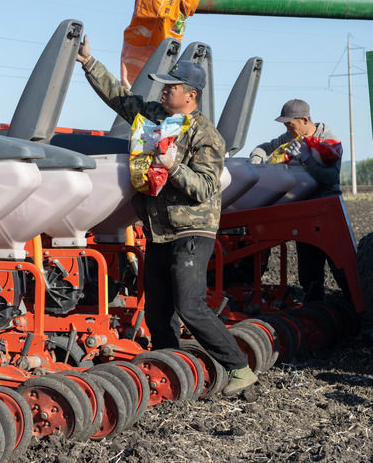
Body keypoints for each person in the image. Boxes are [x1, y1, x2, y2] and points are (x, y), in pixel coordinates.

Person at [76, 35, 256, 396]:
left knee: (190, 305)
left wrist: (173, 167)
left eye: (170, 87)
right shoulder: (154, 118)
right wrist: (89, 64)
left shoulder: (207, 137)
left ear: (190, 95)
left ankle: (240, 369)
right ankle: (170, 370)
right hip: (158, 230)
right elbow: (119, 98)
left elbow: (205, 187)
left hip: (192, 231)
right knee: (158, 310)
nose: (162, 91)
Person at [249, 99, 348, 302]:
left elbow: (329, 178)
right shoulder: (290, 137)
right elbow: (266, 147)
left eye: (290, 124)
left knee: (342, 268)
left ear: (304, 120)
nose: (287, 129)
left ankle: (356, 311)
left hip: (327, 209)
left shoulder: (329, 141)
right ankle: (315, 309)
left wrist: (307, 159)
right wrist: (257, 157)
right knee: (309, 273)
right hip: (303, 210)